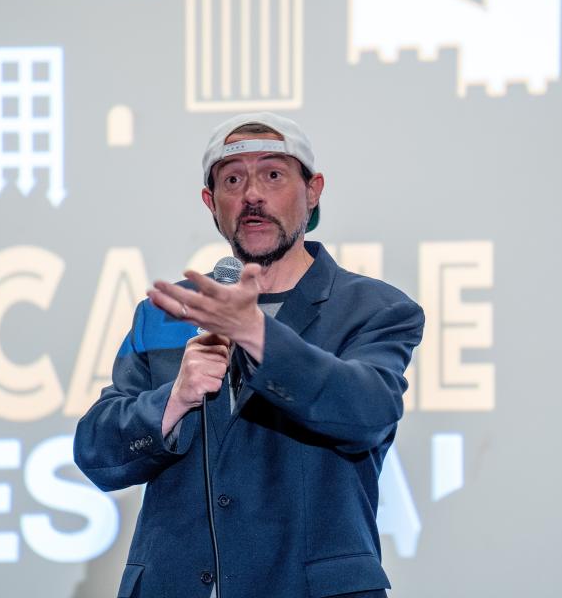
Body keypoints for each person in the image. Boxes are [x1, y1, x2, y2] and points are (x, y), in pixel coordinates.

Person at [74, 112, 425, 598]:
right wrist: (172, 401)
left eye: (273, 174)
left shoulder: (374, 310)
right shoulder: (170, 312)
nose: (252, 194)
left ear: (313, 190)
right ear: (210, 203)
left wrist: (256, 335)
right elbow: (97, 452)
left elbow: (366, 413)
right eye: (233, 179)